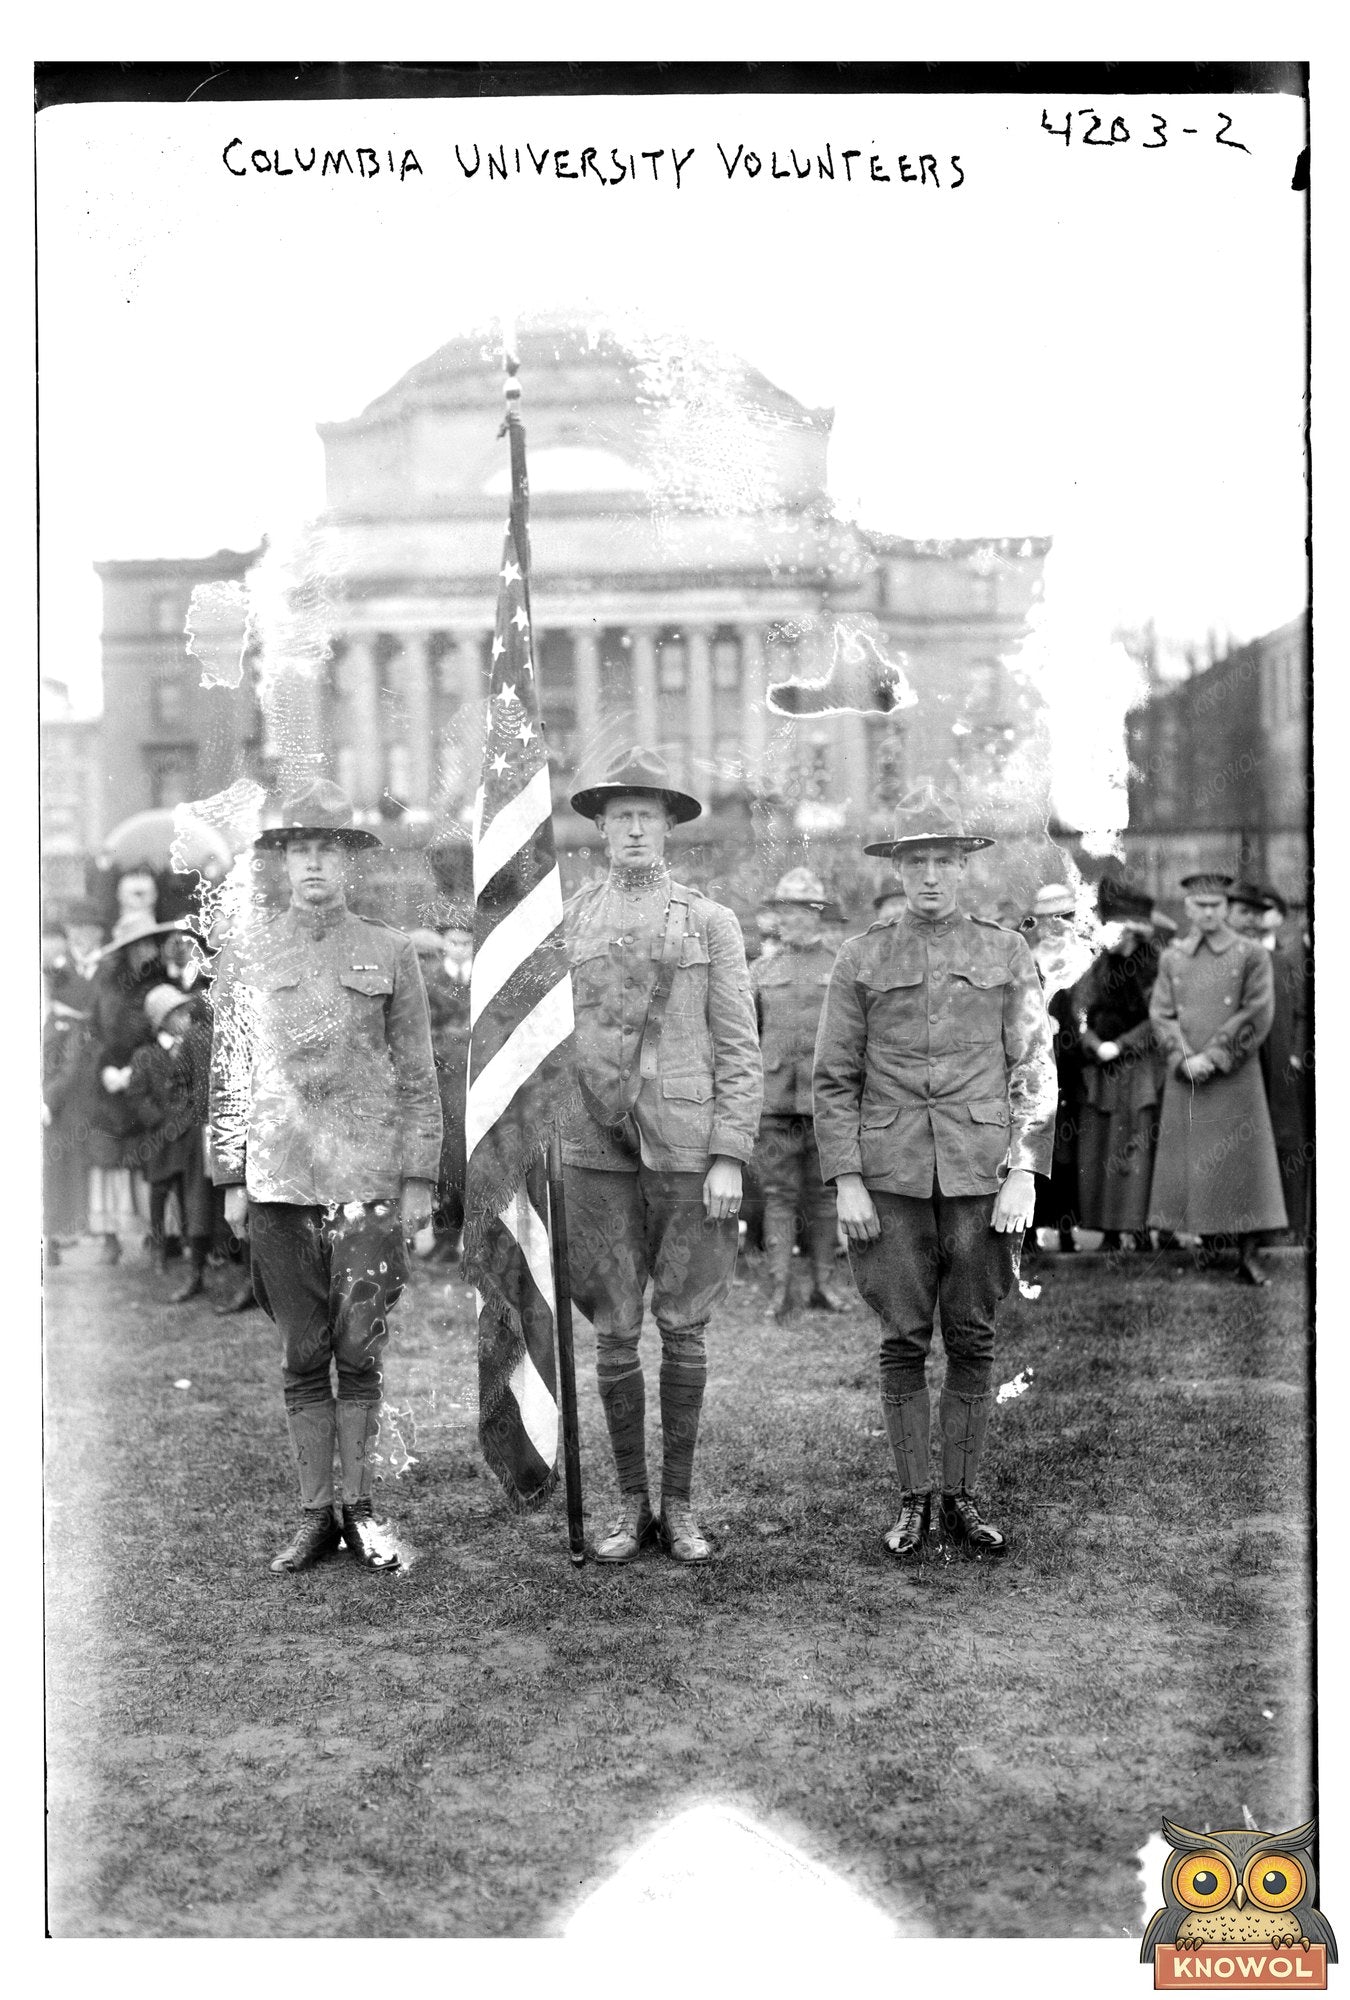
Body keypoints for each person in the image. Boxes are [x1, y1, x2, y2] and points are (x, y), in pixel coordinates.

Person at [812, 785, 1056, 1559]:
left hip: (984, 1177)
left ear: (963, 868)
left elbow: (1037, 1068)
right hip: (889, 1179)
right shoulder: (861, 956)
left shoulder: (1005, 952)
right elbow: (832, 1080)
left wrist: (1024, 1170)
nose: (929, 877)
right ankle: (915, 1498)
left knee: (975, 1338)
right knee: (902, 1339)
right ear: (897, 868)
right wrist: (847, 1178)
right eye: (915, 861)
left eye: (943, 861)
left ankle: (963, 1493)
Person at [208, 781, 443, 1573]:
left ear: (348, 863)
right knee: (302, 1350)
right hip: (279, 1178)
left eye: (327, 849)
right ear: (280, 864)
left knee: (360, 1346)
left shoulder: (391, 949)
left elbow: (417, 1072)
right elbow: (230, 1074)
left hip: (365, 1177)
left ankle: (362, 1509)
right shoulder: (248, 953)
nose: (313, 862)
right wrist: (232, 1176)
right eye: (298, 849)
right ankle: (316, 1514)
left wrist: (418, 1177)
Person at [562, 748, 763, 1565]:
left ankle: (678, 1507)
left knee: (683, 1328)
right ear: (602, 831)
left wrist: (729, 1156)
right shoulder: (570, 919)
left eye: (649, 815)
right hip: (594, 1148)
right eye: (621, 817)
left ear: (669, 828)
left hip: (686, 1150)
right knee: (614, 1333)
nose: (635, 829)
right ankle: (627, 1504)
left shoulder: (710, 922)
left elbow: (739, 1049)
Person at [1147, 872, 1286, 1285]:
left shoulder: (1250, 954)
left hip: (1234, 1075)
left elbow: (1258, 1012)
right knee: (1198, 1164)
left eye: (1216, 905)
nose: (1208, 913)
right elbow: (1161, 1013)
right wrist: (1183, 1057)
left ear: (1227, 907)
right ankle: (1206, 1249)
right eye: (1199, 905)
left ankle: (1248, 1255)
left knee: (1244, 1165)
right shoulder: (1173, 957)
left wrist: (1218, 1053)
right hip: (1188, 1075)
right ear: (1187, 908)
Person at [750, 867, 848, 1318]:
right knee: (778, 1197)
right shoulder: (759, 971)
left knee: (825, 1197)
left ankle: (824, 1287)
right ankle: (779, 1291)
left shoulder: (840, 967)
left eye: (805, 910)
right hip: (774, 1105)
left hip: (826, 1102)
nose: (793, 919)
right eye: (785, 910)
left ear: (820, 915)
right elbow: (746, 1038)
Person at [75, 911, 193, 1263]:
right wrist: (107, 1070)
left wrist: (136, 1069)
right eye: (136, 945)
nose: (145, 951)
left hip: (150, 1077)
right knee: (109, 1154)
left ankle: (167, 1235)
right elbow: (96, 1034)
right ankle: (110, 1235)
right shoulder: (108, 986)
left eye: (148, 943)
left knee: (159, 1159)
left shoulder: (162, 984)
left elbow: (170, 1028)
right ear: (124, 951)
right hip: (111, 1083)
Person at [1073, 885, 1165, 1251]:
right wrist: (1093, 1042)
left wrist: (1122, 1045)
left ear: (1130, 931)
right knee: (1100, 1147)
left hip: (1141, 1067)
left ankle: (1138, 1227)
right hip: (1101, 1068)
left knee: (1134, 1143)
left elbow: (1159, 1016)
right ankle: (1108, 1229)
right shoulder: (1096, 964)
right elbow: (1079, 1007)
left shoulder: (1154, 966)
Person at [125, 984, 219, 1302]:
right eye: (175, 1014)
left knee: (193, 1197)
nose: (183, 1018)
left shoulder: (195, 1043)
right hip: (163, 1140)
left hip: (191, 1134)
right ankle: (160, 1248)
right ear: (160, 1021)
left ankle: (200, 1254)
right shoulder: (146, 1055)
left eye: (183, 1011)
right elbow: (137, 1096)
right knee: (160, 1194)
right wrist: (162, 1124)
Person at [1231, 883, 1311, 1243]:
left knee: (1286, 1139)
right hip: (1246, 1063)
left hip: (1282, 1062)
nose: (1258, 918)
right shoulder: (1237, 959)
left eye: (1264, 910)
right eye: (1250, 911)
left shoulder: (1288, 961)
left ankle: (1289, 1226)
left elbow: (1302, 1013)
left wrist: (1294, 1054)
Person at [1025, 883, 1091, 1257]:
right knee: (1033, 1146)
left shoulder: (1084, 959)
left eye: (1065, 916)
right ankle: (1031, 1230)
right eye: (1051, 917)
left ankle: (1067, 1230)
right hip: (1036, 1062)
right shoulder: (1027, 958)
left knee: (1067, 1152)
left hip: (1071, 1062)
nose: (1059, 924)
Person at [409, 928, 470, 1263]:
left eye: (466, 943)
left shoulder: (484, 977)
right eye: (454, 943)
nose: (459, 949)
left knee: (464, 1152)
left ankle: (463, 1232)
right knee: (441, 1151)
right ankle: (436, 1232)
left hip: (468, 1077)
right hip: (440, 1074)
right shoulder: (430, 980)